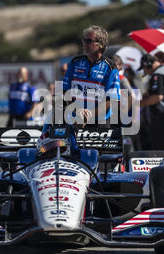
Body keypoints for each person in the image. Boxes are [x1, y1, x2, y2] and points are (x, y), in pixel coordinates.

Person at [40, 25, 120, 156]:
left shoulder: (110, 67)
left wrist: (87, 116)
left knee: (96, 163)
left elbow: (110, 101)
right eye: (84, 40)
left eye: (88, 41)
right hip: (74, 119)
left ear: (100, 44)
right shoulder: (75, 63)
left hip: (99, 123)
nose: (84, 44)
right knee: (70, 159)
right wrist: (76, 111)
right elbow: (64, 92)